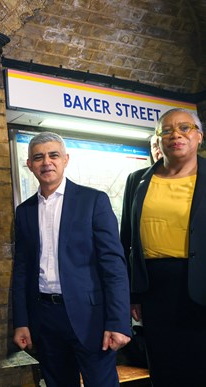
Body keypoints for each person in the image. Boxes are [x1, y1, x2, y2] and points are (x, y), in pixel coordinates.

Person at [12, 132, 131, 387]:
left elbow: (113, 266)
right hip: (45, 319)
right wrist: (21, 322)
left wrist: (119, 322)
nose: (47, 162)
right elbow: (21, 271)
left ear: (65, 159)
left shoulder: (93, 201)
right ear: (29, 165)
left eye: (53, 155)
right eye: (38, 157)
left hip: (92, 319)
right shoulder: (24, 212)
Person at [121, 108, 206, 386]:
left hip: (200, 283)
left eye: (184, 128)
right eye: (166, 130)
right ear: (158, 140)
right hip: (154, 290)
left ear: (199, 136)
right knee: (164, 365)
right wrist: (132, 293)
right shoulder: (137, 180)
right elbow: (127, 240)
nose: (175, 135)